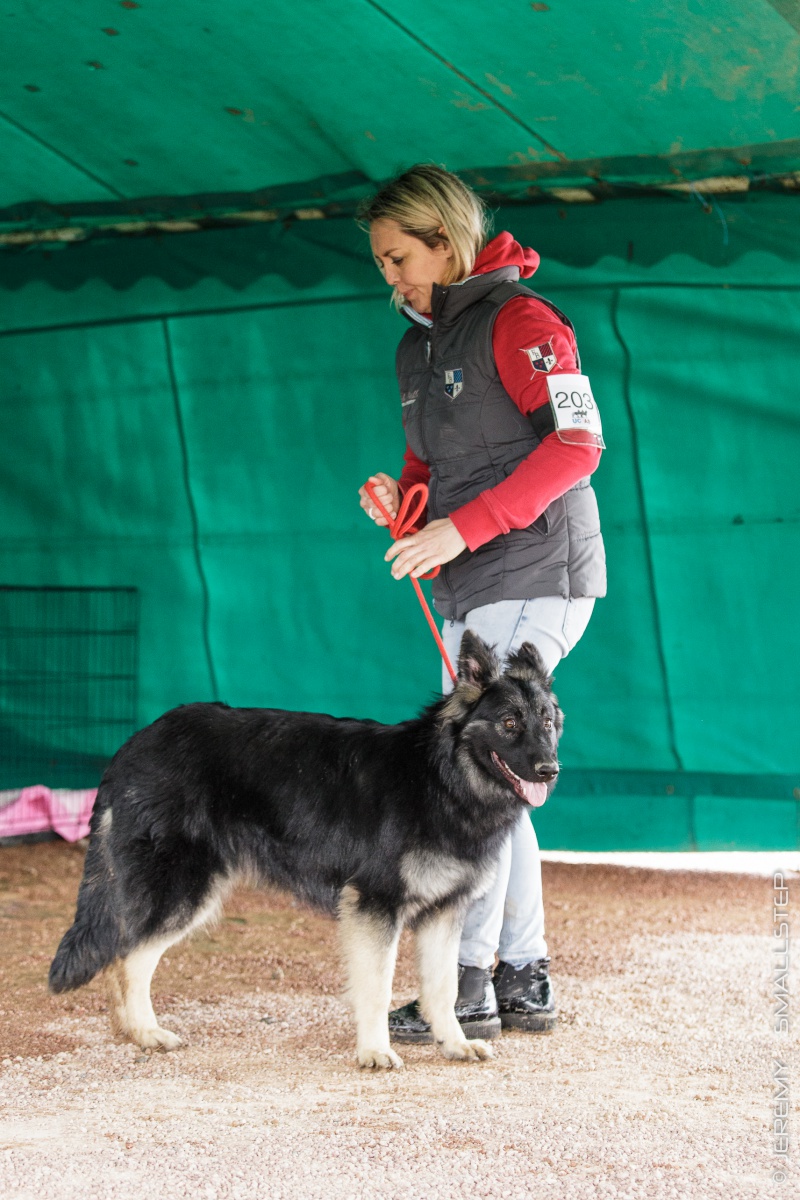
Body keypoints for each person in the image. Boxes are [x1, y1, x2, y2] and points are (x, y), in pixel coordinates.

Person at [357, 164, 606, 1042]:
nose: (391, 277)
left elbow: (578, 446)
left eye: (399, 258)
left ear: (445, 239)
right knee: (499, 779)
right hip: (467, 577)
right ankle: (521, 977)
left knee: (475, 775)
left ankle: (462, 984)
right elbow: (427, 466)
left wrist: (460, 530)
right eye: (381, 263)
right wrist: (402, 501)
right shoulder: (416, 346)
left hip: (537, 570)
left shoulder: (524, 320)